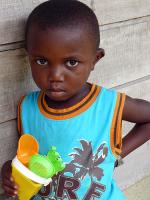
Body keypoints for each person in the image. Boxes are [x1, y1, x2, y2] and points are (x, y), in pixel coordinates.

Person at [1, 0, 150, 199]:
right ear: (29, 57)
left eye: (71, 62)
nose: (55, 75)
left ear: (95, 60)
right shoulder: (27, 108)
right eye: (42, 61)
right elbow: (24, 159)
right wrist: (7, 171)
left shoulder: (108, 105)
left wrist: (117, 155)